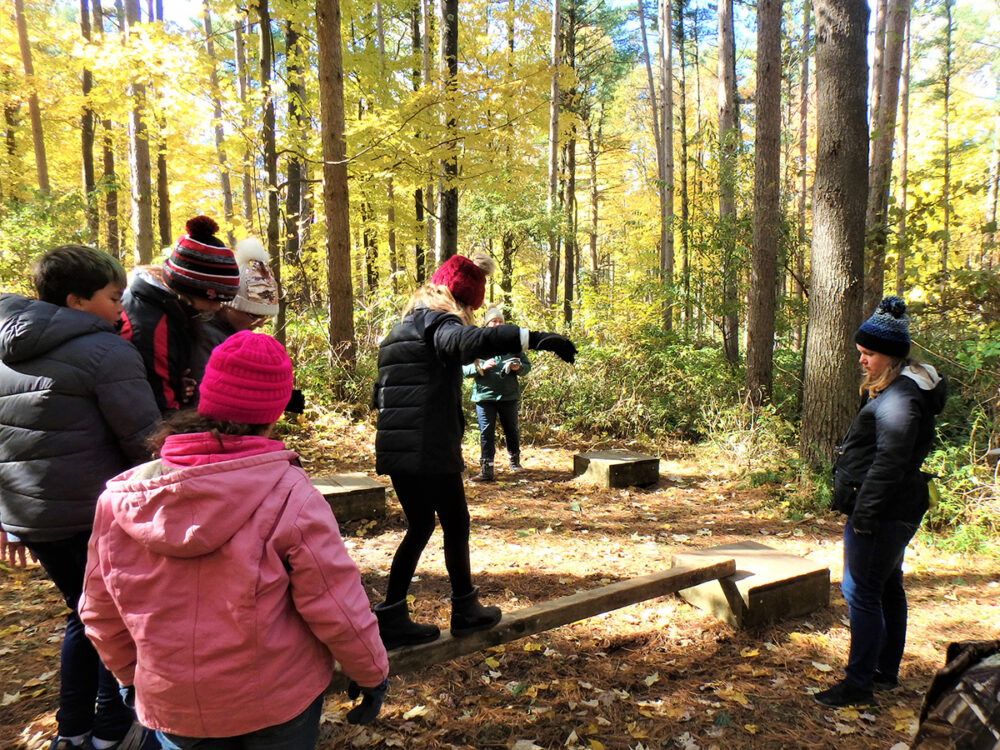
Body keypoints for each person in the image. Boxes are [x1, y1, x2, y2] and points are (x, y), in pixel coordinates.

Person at [79, 331, 390, 749]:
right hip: (277, 700)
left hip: (174, 705)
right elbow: (336, 603)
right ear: (275, 410)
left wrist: (132, 678)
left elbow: (99, 611)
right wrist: (371, 672)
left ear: (206, 397)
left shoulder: (121, 500)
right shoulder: (290, 493)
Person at [372, 252, 577, 649]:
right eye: (469, 307)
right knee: (455, 522)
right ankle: (465, 609)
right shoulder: (439, 321)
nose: (469, 315)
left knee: (420, 526)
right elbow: (465, 341)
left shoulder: (400, 329)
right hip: (428, 445)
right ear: (459, 299)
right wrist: (531, 338)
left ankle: (391, 615)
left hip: (397, 446)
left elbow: (382, 393)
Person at [0, 245, 161, 750]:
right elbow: (143, 436)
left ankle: (72, 729)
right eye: (114, 297)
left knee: (82, 613)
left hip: (32, 514)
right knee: (114, 620)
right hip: (93, 514)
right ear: (76, 300)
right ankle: (113, 730)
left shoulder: (8, 349)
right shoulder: (106, 351)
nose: (122, 307)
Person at [815, 296, 947, 709]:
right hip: (894, 508)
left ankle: (858, 686)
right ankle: (885, 672)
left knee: (861, 591)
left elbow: (890, 463)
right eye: (861, 353)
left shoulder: (901, 399)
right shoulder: (895, 389)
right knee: (888, 585)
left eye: (868, 354)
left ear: (889, 356)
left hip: (884, 511)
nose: (862, 361)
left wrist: (865, 516)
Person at [121, 215, 240, 414]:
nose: (217, 307)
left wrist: (177, 382)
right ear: (190, 289)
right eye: (214, 299)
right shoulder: (150, 324)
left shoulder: (173, 309)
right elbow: (156, 404)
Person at [462, 306, 531, 482]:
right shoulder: (477, 342)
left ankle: (515, 463)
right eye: (494, 321)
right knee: (486, 432)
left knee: (512, 429)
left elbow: (526, 367)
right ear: (487, 324)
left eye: (500, 321)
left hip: (508, 395)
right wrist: (480, 367)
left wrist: (518, 367)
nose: (497, 324)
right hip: (484, 396)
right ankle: (487, 470)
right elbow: (464, 369)